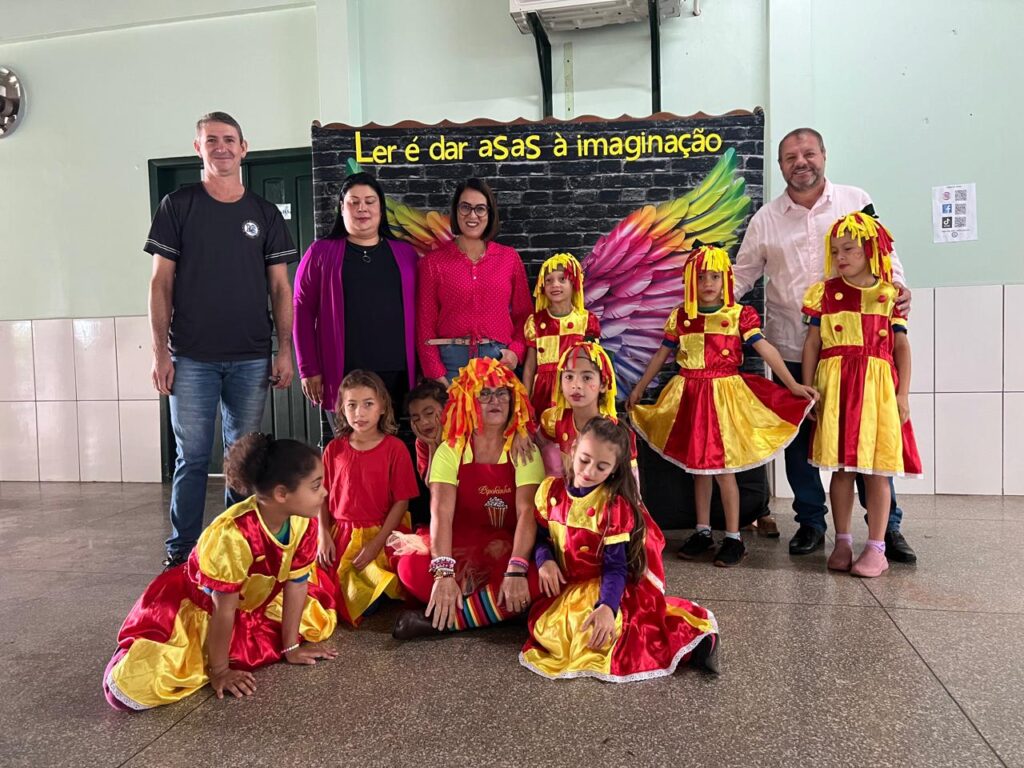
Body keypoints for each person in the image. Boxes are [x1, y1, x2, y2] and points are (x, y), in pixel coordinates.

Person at [733, 127, 917, 562]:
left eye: (809, 153)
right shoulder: (765, 220)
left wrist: (901, 289)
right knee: (801, 443)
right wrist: (707, 307)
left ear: (824, 156)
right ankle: (812, 522)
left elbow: (886, 257)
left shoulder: (856, 200)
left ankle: (886, 529)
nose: (802, 162)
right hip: (790, 350)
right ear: (780, 166)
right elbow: (742, 275)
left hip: (860, 350)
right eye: (791, 157)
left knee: (870, 439)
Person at [147, 111, 297, 569]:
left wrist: (284, 349)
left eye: (229, 140)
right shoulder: (178, 205)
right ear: (198, 148)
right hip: (190, 357)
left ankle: (234, 548)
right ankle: (181, 553)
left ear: (244, 148)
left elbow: (280, 289)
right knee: (191, 458)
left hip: (251, 357)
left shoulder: (264, 214)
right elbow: (160, 284)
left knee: (243, 459)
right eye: (211, 140)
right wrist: (160, 352)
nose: (221, 148)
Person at [103, 434, 338, 711]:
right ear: (281, 494)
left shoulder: (302, 522)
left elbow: (296, 584)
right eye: (316, 486)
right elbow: (223, 609)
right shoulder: (232, 535)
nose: (325, 492)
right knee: (142, 683)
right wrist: (220, 670)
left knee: (318, 617)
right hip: (202, 605)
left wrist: (291, 648)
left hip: (251, 599)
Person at [627, 246, 817, 567]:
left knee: (724, 471)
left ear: (726, 278)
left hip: (725, 400)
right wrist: (640, 387)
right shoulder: (682, 317)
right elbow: (662, 355)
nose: (708, 283)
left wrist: (792, 384)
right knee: (699, 471)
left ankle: (733, 537)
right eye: (701, 277)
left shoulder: (738, 316)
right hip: (690, 398)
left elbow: (765, 348)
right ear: (691, 280)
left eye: (715, 276)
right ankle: (703, 531)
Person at [520, 417, 719, 682]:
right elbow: (542, 537)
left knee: (602, 639)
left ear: (614, 470)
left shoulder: (612, 507)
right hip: (567, 587)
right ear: (574, 447)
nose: (589, 471)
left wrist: (607, 608)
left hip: (605, 588)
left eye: (602, 467)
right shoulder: (550, 492)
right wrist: (545, 561)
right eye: (585, 459)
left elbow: (616, 567)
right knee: (555, 634)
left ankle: (695, 642)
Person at [802, 213, 922, 578]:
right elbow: (812, 344)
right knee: (841, 469)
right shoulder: (824, 293)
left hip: (876, 389)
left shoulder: (889, 296)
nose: (841, 257)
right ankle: (842, 540)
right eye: (836, 250)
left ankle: (876, 547)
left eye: (850, 249)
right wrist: (809, 389)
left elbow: (901, 347)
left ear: (870, 250)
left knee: (876, 471)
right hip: (836, 387)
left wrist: (902, 395)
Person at [389, 358, 545, 639]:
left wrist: (516, 571)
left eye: (502, 393)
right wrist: (443, 575)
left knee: (539, 578)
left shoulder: (525, 451)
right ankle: (499, 610)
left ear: (513, 401)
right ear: (467, 400)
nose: (494, 400)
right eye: (484, 394)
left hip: (509, 550)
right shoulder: (451, 450)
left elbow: (526, 515)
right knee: (408, 569)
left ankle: (445, 622)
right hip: (457, 547)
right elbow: (441, 515)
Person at [293, 172, 418, 440]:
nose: (362, 208)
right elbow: (302, 310)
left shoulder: (405, 253)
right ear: (341, 207)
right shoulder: (321, 253)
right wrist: (308, 369)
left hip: (395, 372)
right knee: (350, 453)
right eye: (354, 202)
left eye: (370, 201)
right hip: (342, 372)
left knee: (392, 451)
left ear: (381, 209)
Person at [313, 371, 419, 625]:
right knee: (321, 590)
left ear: (382, 407)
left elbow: (401, 501)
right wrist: (323, 534)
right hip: (340, 536)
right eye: (352, 405)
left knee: (368, 597)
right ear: (342, 409)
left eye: (367, 404)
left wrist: (376, 544)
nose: (359, 413)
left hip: (381, 534)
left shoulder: (395, 448)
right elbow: (321, 497)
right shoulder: (334, 449)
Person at [417, 178, 532, 385]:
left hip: (498, 360)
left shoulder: (509, 258)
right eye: (465, 207)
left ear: (489, 213)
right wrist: (436, 375)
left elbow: (524, 316)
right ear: (455, 211)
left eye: (480, 209)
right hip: (451, 364)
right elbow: (424, 324)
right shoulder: (433, 264)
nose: (472, 215)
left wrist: (515, 353)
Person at [522, 253, 601, 417]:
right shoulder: (535, 322)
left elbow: (594, 363)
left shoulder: (586, 320)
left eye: (562, 279)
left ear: (574, 283)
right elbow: (530, 366)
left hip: (574, 387)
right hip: (543, 390)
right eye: (549, 280)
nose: (554, 285)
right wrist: (525, 401)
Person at [405, 379, 449, 483]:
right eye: (416, 419)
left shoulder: (465, 433)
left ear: (446, 407)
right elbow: (432, 483)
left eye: (429, 413)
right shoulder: (422, 442)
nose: (424, 422)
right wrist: (432, 446)